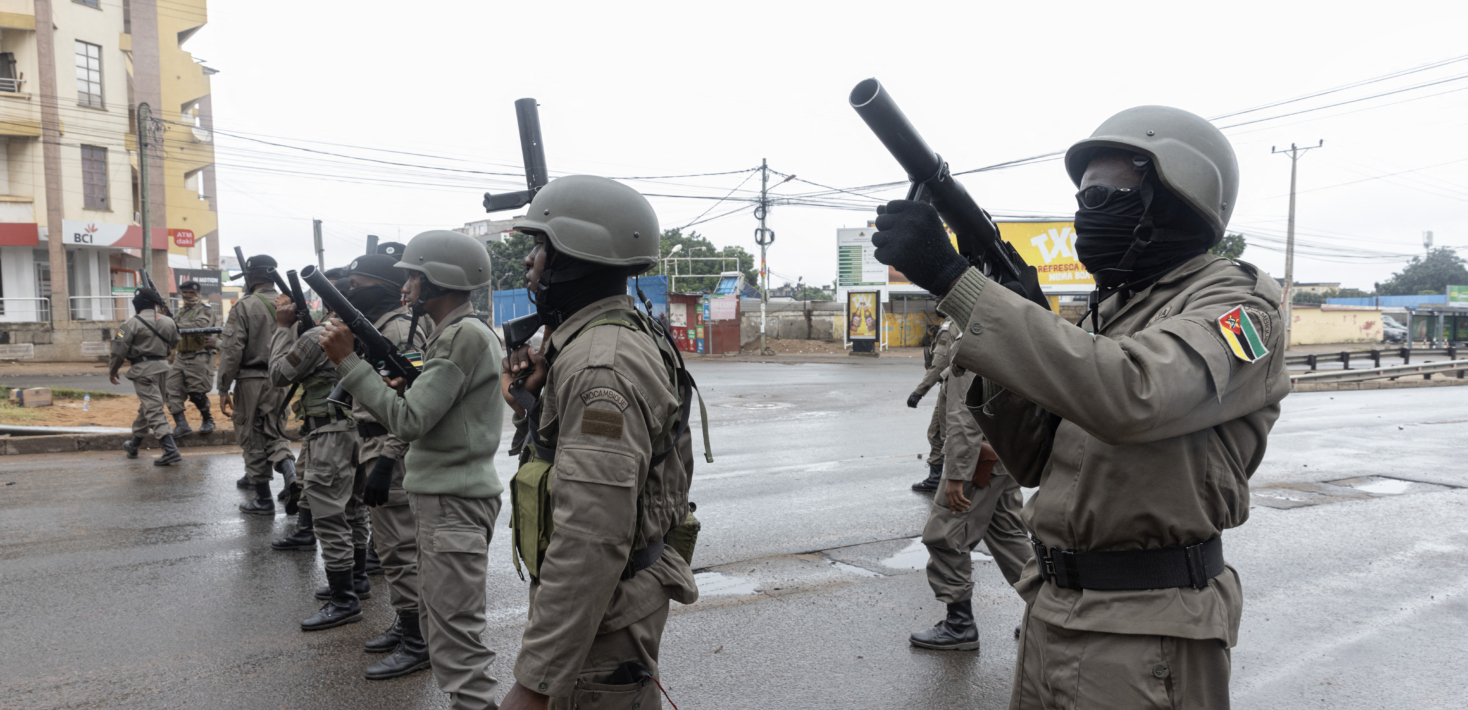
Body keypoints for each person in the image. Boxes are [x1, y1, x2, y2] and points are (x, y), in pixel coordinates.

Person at [871, 106, 1288, 708]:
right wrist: (1009, 335)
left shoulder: (1237, 303)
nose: (1083, 214)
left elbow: (1132, 395)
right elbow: (1038, 459)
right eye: (1082, 198)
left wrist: (958, 282)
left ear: (1173, 198)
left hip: (1148, 628)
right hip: (1055, 608)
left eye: (1103, 196)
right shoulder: (1114, 310)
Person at [498, 175, 700, 710]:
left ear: (574, 257)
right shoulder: (621, 331)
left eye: (540, 246)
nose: (529, 262)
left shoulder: (599, 365)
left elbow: (593, 534)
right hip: (611, 599)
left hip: (604, 609)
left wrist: (534, 684)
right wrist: (531, 402)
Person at [319, 230, 503, 710]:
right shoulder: (457, 334)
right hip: (446, 496)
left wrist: (349, 364)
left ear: (439, 281)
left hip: (453, 501)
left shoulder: (461, 336)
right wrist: (406, 385)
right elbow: (433, 408)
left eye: (415, 278)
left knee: (456, 642)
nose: (406, 289)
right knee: (446, 632)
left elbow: (409, 420)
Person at [337, 254, 432, 681]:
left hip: (389, 446)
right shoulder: (383, 325)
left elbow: (412, 399)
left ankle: (419, 639)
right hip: (374, 441)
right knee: (392, 547)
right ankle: (408, 621)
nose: (352, 291)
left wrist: (388, 456)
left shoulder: (397, 328)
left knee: (399, 547)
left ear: (381, 284)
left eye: (358, 284)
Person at [267, 284, 374, 632]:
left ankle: (344, 600)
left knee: (329, 516)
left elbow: (279, 374)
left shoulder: (320, 334)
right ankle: (356, 580)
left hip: (329, 433)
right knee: (355, 510)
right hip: (362, 429)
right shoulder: (366, 329)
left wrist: (284, 329)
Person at [909, 364, 1032, 651]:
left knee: (944, 536)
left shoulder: (974, 345)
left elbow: (966, 417)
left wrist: (955, 474)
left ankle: (959, 626)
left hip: (977, 460)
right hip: (1004, 454)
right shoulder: (1008, 337)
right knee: (1010, 537)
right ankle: (1052, 615)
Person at [218, 255, 296, 514]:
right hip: (282, 380)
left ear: (250, 277)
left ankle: (263, 499)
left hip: (251, 380)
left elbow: (231, 350)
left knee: (252, 436)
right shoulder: (291, 304)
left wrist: (223, 387)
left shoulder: (245, 306)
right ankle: (291, 477)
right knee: (276, 433)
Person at [110, 285, 181, 466]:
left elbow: (118, 350)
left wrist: (113, 370)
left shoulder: (129, 324)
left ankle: (170, 450)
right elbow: (174, 343)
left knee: (153, 409)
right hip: (164, 368)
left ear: (136, 305)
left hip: (143, 370)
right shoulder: (168, 321)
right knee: (148, 407)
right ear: (156, 304)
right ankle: (134, 445)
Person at [906, 317, 956, 492]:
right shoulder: (960, 322)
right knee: (935, 433)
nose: (936, 300)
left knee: (947, 436)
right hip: (952, 386)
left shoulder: (950, 327)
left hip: (953, 388)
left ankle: (955, 482)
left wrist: (919, 391)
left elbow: (938, 365)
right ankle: (936, 479)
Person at [165, 280, 218, 438]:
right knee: (171, 390)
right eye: (185, 293)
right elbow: (172, 329)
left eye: (192, 293)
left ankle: (207, 418)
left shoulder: (206, 310)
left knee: (196, 393)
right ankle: (181, 425)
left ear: (198, 294)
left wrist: (173, 324)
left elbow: (200, 325)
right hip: (180, 357)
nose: (188, 296)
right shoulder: (181, 312)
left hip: (199, 355)